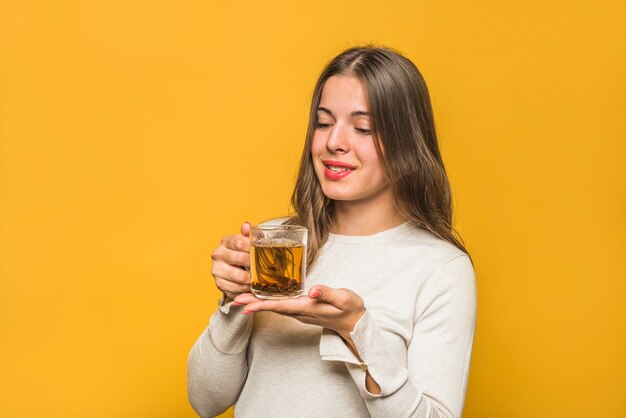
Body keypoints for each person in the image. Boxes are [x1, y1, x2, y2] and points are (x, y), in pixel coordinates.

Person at [188, 45, 477, 418]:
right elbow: (205, 401)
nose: (333, 143)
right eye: (324, 123)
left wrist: (356, 331)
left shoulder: (441, 269)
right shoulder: (276, 244)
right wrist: (233, 300)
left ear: (407, 142)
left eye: (363, 128)